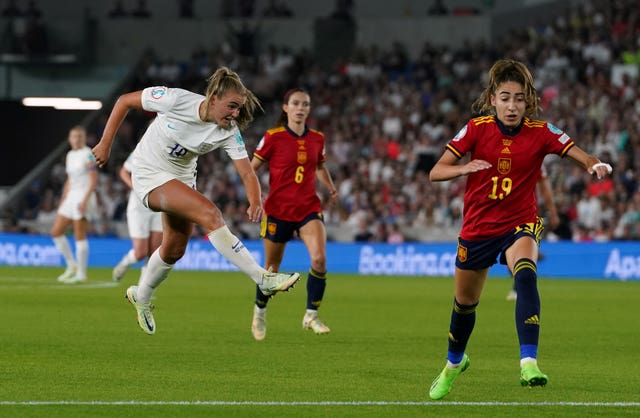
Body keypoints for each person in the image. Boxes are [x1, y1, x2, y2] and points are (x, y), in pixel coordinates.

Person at [427, 59, 612, 400]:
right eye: (505, 98)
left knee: (526, 273)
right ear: (493, 99)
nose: (512, 106)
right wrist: (465, 167)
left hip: (519, 223)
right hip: (478, 229)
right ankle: (454, 364)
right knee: (464, 304)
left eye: (519, 99)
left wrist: (592, 163)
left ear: (528, 102)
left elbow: (574, 151)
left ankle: (529, 362)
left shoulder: (540, 131)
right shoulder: (475, 129)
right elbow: (436, 172)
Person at [92, 66, 301, 335]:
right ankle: (263, 278)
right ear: (213, 98)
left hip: (182, 179)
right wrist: (105, 144)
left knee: (174, 249)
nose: (235, 113)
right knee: (210, 214)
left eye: (239, 108)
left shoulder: (228, 130)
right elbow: (124, 101)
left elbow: (247, 171)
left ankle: (141, 295)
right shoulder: (174, 99)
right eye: (232, 106)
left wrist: (255, 200)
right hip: (148, 173)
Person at [250, 88, 339, 341]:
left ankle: (311, 315)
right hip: (277, 211)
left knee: (320, 260)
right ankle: (260, 312)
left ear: (309, 109)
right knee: (271, 270)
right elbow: (251, 169)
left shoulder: (317, 139)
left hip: (308, 208)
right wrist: (254, 198)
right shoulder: (272, 137)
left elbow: (319, 166)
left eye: (306, 104)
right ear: (286, 108)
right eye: (296, 103)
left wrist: (330, 187)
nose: (301, 108)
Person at [51, 125, 98, 284]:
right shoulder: (70, 155)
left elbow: (93, 180)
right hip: (71, 196)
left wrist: (85, 201)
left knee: (79, 234)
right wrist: (63, 200)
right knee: (56, 232)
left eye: (80, 136)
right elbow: (70, 180)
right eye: (74, 136)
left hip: (83, 195)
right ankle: (71, 264)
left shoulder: (89, 154)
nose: (77, 139)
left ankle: (81, 273)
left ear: (84, 138)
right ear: (69, 139)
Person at [506, 168, 559, 301]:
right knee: (510, 252)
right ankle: (520, 282)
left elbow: (544, 188)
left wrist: (552, 212)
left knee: (517, 251)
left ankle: (518, 287)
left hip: (525, 213)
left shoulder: (535, 158)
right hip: (508, 214)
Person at [112, 151, 163, 283]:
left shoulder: (169, 150)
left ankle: (142, 291)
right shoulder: (141, 150)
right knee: (140, 253)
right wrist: (135, 187)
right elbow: (124, 171)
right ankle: (125, 262)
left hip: (159, 206)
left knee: (153, 254)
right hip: (139, 207)